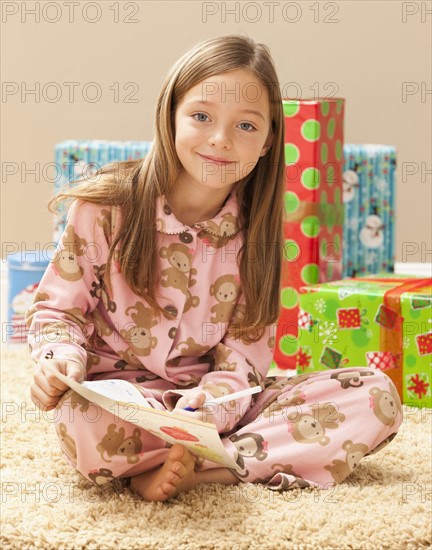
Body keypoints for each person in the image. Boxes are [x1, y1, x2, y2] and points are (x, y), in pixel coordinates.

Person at [27, 34, 402, 502]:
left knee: (374, 395)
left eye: (246, 126)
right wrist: (58, 361)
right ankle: (220, 459)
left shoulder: (258, 232)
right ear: (171, 116)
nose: (221, 140)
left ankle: (199, 472)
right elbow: (57, 313)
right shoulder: (105, 207)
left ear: (268, 141)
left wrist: (210, 410)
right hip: (123, 402)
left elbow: (244, 359)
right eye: (201, 116)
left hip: (217, 407)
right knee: (83, 419)